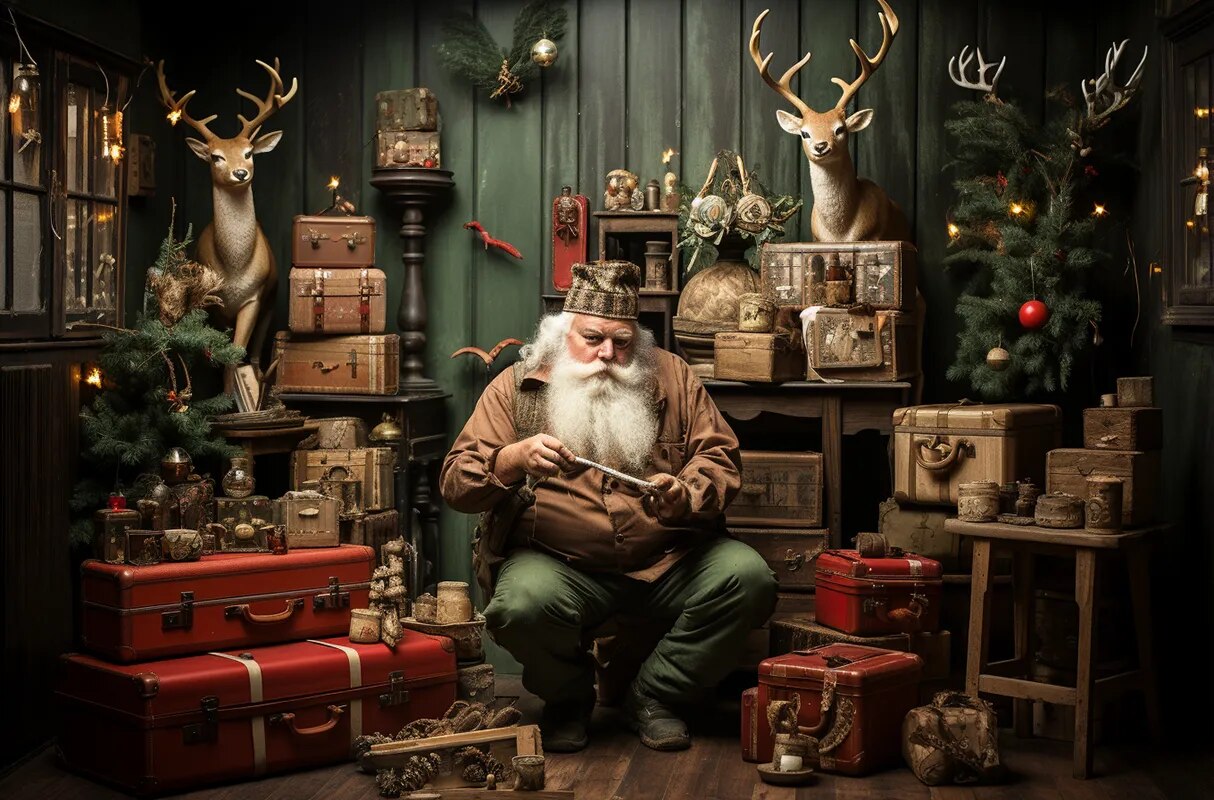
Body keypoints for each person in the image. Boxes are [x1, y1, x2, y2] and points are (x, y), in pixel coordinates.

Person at [440, 260, 777, 753]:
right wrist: (511, 459)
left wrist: (686, 494)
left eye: (622, 342)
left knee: (750, 581)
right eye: (593, 338)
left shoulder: (673, 378)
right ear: (561, 334)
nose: (607, 354)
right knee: (518, 607)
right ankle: (569, 699)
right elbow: (455, 482)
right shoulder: (515, 390)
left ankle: (655, 696)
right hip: (561, 567)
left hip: (670, 561)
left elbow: (719, 458)